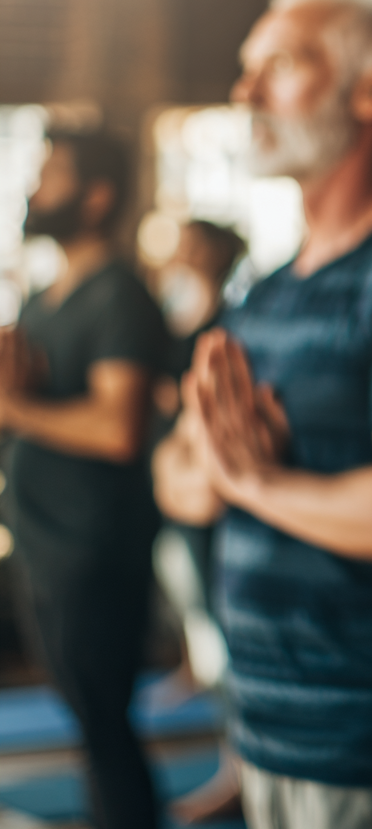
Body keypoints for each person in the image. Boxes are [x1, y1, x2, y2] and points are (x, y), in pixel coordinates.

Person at [153, 0, 372, 829]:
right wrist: (226, 470)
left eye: (281, 65)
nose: (245, 91)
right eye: (244, 68)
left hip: (371, 734)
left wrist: (255, 479)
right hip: (262, 727)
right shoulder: (259, 294)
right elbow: (176, 477)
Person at [0, 130, 166, 829]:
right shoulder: (43, 298)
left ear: (96, 198)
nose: (37, 190)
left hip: (92, 553)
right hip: (41, 542)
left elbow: (116, 427)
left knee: (105, 727)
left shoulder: (117, 296)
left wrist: (14, 405)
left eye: (54, 176)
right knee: (86, 725)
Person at [150, 219, 246, 825]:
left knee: (224, 634)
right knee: (199, 616)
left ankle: (237, 768)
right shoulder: (176, 312)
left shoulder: (227, 324)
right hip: (180, 492)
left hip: (209, 502)